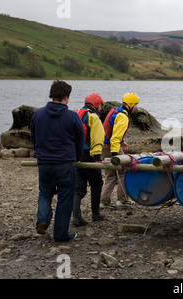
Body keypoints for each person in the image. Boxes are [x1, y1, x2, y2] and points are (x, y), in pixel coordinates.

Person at [30, 80, 84, 241]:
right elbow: (80, 140)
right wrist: (77, 158)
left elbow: (33, 137)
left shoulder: (38, 114)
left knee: (45, 192)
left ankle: (42, 220)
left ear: (51, 95)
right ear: (66, 97)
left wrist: (39, 153)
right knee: (65, 197)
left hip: (44, 162)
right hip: (65, 162)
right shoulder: (72, 116)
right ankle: (61, 235)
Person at [100, 92, 139, 208]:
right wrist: (115, 153)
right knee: (124, 171)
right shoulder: (123, 117)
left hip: (104, 145)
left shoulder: (116, 111)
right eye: (136, 105)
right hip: (111, 147)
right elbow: (115, 138)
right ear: (130, 105)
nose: (136, 107)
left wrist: (122, 142)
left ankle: (104, 201)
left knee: (110, 175)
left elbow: (112, 132)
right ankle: (122, 200)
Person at [72, 93, 106, 226]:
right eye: (101, 106)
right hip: (89, 154)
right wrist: (97, 159)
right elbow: (97, 139)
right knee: (97, 183)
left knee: (79, 187)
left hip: (75, 154)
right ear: (96, 104)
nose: (101, 109)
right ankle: (96, 213)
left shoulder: (75, 114)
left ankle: (76, 216)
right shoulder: (94, 117)